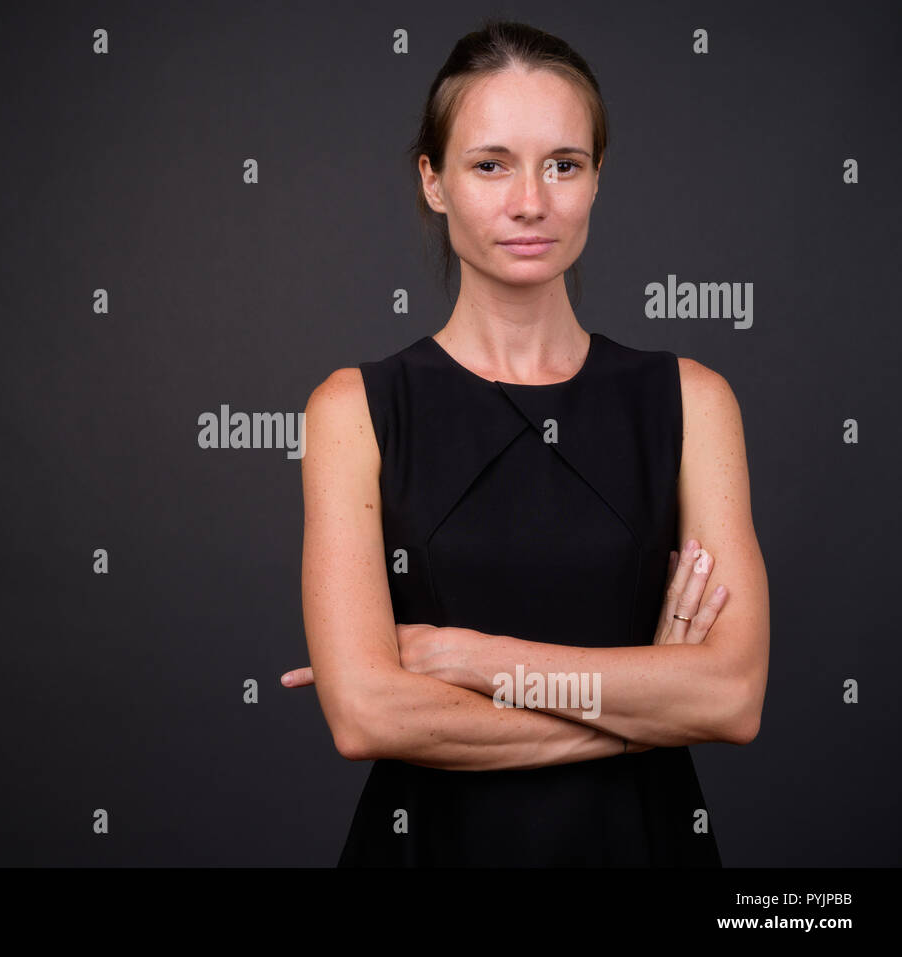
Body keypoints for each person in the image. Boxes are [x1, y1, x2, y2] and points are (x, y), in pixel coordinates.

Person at [283, 20, 770, 866]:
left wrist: (471, 658)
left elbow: (730, 697)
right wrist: (640, 712)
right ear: (433, 181)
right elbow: (368, 716)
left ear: (595, 179)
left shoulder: (693, 400)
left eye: (563, 164)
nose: (531, 202)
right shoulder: (352, 409)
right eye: (490, 164)